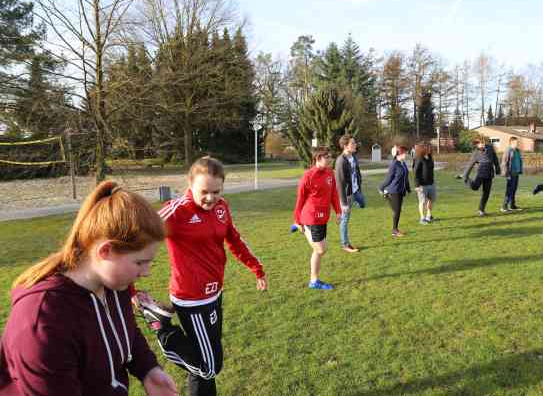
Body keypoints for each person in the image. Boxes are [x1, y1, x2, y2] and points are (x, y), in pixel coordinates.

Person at [0, 181, 178, 396]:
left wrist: (148, 369)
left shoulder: (114, 284)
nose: (146, 272)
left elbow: (125, 327)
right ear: (106, 251)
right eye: (140, 262)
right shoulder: (43, 321)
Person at [135, 156, 267, 396]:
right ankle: (161, 326)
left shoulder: (221, 207)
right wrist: (129, 283)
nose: (210, 198)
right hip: (191, 299)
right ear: (190, 185)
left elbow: (234, 240)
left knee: (205, 363)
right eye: (204, 191)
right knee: (208, 367)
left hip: (215, 293)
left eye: (216, 191)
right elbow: (136, 234)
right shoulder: (177, 211)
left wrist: (256, 268)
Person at [293, 146, 342, 290]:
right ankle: (300, 225)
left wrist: (338, 211)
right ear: (318, 158)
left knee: (318, 250)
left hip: (323, 217)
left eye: (329, 156)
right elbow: (300, 199)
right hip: (311, 217)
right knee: (321, 249)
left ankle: (314, 281)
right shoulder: (308, 176)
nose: (329, 159)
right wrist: (297, 219)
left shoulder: (329, 173)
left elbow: (333, 193)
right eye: (326, 157)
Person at [335, 135, 365, 253]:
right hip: (347, 195)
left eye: (355, 142)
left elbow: (357, 173)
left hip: (356, 190)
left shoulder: (353, 157)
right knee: (345, 220)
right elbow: (340, 184)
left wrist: (359, 185)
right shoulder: (341, 161)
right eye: (353, 143)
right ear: (346, 146)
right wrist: (343, 203)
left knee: (363, 203)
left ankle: (356, 202)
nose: (355, 144)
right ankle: (345, 244)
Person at [462, 137, 501, 217]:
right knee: (475, 187)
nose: (482, 145)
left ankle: (481, 209)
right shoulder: (475, 153)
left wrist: (497, 169)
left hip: (489, 173)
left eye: (483, 143)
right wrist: (465, 175)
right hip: (481, 173)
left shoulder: (490, 148)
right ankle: (467, 181)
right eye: (480, 144)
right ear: (477, 145)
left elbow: (495, 159)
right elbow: (470, 164)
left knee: (486, 193)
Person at [379, 145, 411, 236]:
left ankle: (386, 196)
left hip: (401, 190)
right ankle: (395, 231)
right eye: (405, 152)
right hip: (394, 190)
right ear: (399, 154)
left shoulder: (403, 163)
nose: (406, 154)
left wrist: (408, 189)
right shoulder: (394, 164)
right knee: (397, 210)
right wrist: (381, 187)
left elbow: (406, 177)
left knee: (397, 210)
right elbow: (389, 179)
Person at [413, 142, 436, 224]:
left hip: (431, 183)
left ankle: (429, 216)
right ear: (423, 148)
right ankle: (422, 218)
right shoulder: (419, 158)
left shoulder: (430, 157)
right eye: (427, 147)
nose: (429, 149)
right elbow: (415, 172)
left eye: (430, 147)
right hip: (422, 185)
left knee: (431, 200)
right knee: (422, 202)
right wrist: (417, 185)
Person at [500, 136, 524, 212]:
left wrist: (520, 170)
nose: (517, 144)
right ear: (511, 143)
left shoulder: (517, 150)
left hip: (516, 173)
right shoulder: (508, 150)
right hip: (510, 174)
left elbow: (519, 161)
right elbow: (504, 163)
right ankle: (504, 207)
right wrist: (507, 174)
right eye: (516, 142)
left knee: (514, 189)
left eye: (518, 142)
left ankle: (512, 205)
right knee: (509, 190)